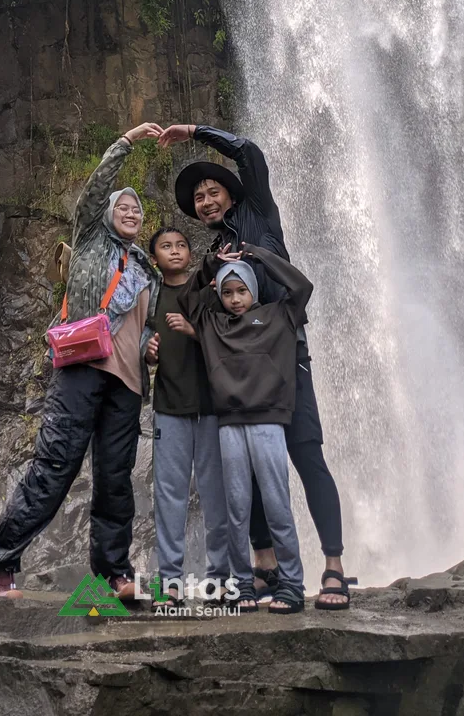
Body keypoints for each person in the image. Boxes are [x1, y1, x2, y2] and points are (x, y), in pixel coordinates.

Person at [161, 122, 352, 610]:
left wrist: (194, 131)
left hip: (287, 357)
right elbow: (196, 309)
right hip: (242, 371)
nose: (206, 201)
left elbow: (249, 152)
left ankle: (334, 566)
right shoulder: (213, 256)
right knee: (248, 466)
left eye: (212, 191)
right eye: (198, 198)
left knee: (307, 455)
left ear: (231, 194)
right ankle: (265, 565)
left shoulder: (258, 215)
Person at [0, 122, 163, 598]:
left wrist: (149, 343)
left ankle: (114, 573)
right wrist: (126, 142)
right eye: (122, 207)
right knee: (55, 465)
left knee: (115, 479)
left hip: (128, 383)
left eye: (137, 209)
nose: (131, 213)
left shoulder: (147, 269)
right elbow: (95, 191)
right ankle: (1, 564)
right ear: (106, 214)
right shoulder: (89, 240)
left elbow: (146, 324)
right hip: (82, 369)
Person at [181, 242, 313, 614]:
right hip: (229, 424)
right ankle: (242, 586)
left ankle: (292, 584)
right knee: (236, 509)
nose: (235, 299)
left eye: (242, 290)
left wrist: (258, 256)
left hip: (269, 422)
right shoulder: (212, 324)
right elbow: (188, 298)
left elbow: (302, 287)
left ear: (253, 290)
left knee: (277, 505)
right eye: (227, 293)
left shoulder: (279, 315)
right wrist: (211, 264)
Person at [145, 227, 230, 608]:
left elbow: (229, 336)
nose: (175, 251)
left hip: (211, 407)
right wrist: (146, 351)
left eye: (181, 245)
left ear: (190, 254)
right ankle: (170, 582)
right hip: (169, 406)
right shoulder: (150, 297)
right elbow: (137, 340)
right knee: (169, 497)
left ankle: (220, 579)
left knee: (216, 495)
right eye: (166, 246)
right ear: (154, 258)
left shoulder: (207, 292)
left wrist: (194, 331)